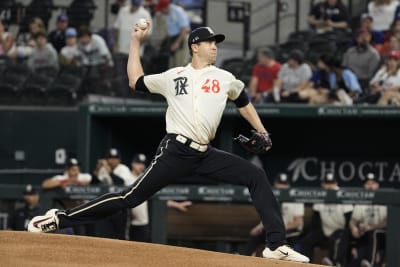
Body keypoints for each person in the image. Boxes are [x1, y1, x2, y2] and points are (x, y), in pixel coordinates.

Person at [28, 24, 309, 263]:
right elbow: (134, 80)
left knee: (256, 176)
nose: (215, 47)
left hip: (205, 153)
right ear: (194, 46)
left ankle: (275, 245)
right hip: (175, 150)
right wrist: (135, 42)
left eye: (216, 43)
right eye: (210, 42)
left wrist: (263, 131)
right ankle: (59, 218)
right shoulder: (173, 76)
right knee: (130, 198)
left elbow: (244, 100)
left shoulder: (225, 78)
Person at [296, 173, 353, 266]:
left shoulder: (343, 195)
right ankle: (306, 264)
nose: (329, 186)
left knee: (338, 239)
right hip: (324, 231)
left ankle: (334, 263)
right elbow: (315, 222)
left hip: (340, 231)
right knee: (306, 241)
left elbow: (348, 220)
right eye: (327, 184)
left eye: (332, 184)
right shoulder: (321, 196)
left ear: (336, 184)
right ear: (323, 185)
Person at [243, 173, 305, 256]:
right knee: (255, 236)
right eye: (280, 184)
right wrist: (259, 226)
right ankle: (244, 257)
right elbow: (267, 216)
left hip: (290, 233)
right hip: (274, 231)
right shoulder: (271, 197)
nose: (282, 187)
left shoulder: (295, 197)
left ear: (288, 185)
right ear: (275, 184)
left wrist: (281, 229)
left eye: (284, 184)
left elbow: (298, 222)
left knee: (291, 248)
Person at [92, 148, 132, 240]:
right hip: (107, 206)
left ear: (119, 160)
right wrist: (97, 169)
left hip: (120, 207)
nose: (113, 160)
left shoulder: (123, 169)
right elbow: (93, 183)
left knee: (121, 236)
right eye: (110, 158)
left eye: (115, 158)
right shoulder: (103, 169)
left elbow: (121, 182)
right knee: (107, 235)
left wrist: (110, 172)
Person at [349, 173, 387, 267]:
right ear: (364, 186)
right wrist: (354, 228)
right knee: (357, 260)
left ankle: (371, 261)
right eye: (368, 183)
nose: (370, 186)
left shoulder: (385, 199)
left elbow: (388, 223)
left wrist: (371, 227)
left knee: (374, 233)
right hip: (365, 237)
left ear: (377, 185)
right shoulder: (361, 201)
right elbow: (353, 221)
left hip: (382, 236)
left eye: (373, 183)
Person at [155, 0, 190, 68]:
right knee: (172, 67)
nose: (160, 11)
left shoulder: (177, 11)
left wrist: (177, 43)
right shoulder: (166, 14)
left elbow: (185, 29)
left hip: (181, 38)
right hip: (173, 39)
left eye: (161, 9)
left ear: (165, 7)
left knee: (180, 65)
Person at [129, 153, 150, 242]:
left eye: (143, 164)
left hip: (144, 222)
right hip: (129, 224)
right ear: (133, 164)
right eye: (138, 163)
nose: (141, 166)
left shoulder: (145, 178)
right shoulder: (126, 177)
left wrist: (177, 204)